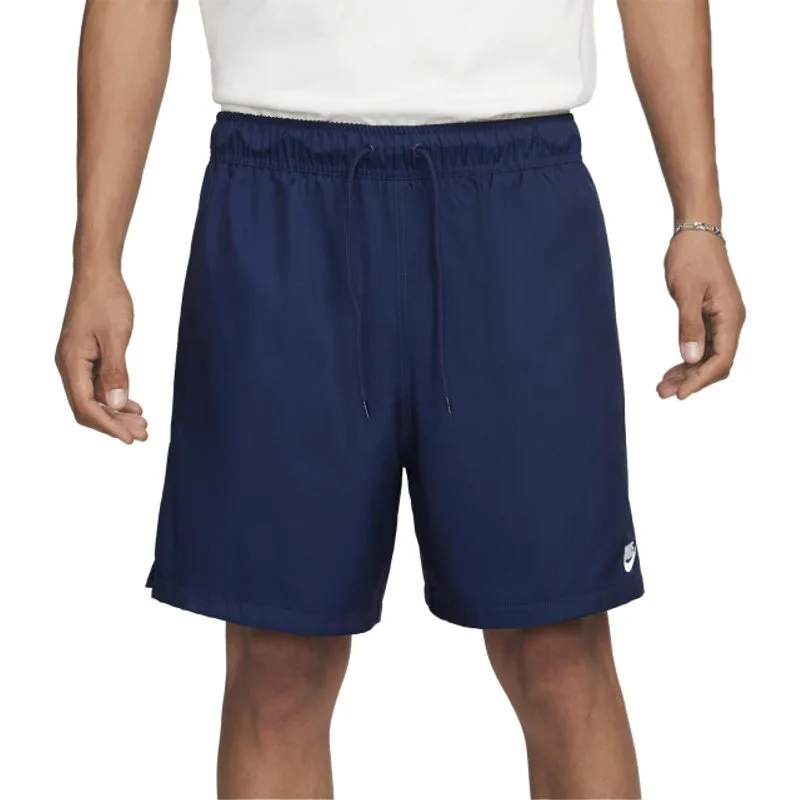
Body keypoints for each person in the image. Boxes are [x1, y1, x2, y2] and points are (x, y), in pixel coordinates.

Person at [55, 1, 745, 797]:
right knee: (278, 668)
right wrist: (95, 259)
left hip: (516, 198)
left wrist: (699, 218)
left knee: (558, 650)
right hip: (278, 193)